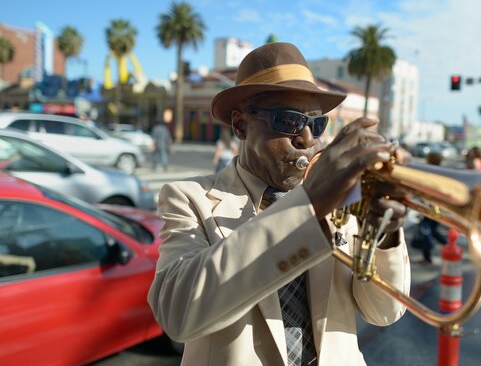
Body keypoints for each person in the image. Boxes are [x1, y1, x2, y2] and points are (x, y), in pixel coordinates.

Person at [147, 42, 411, 366]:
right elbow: (177, 313)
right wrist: (307, 206)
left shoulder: (341, 202)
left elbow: (384, 312)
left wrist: (383, 235)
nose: (307, 139)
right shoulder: (188, 197)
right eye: (288, 121)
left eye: (316, 124)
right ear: (240, 125)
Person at [411, 152, 447, 263]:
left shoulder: (430, 172)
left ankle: (429, 256)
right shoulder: (441, 173)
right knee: (431, 230)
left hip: (431, 207)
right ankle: (447, 245)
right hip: (437, 206)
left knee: (426, 230)